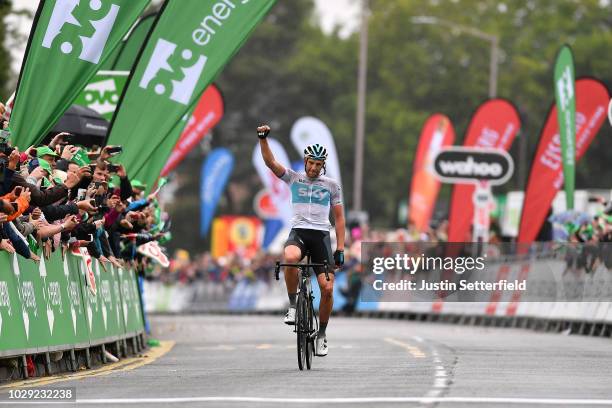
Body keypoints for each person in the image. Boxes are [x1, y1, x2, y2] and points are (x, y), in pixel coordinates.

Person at [256, 124, 345, 357]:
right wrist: (263, 139)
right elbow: (270, 163)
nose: (314, 168)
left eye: (318, 164)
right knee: (290, 257)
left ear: (322, 165)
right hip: (299, 233)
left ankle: (322, 334)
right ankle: (294, 306)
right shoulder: (294, 178)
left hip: (321, 237)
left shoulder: (332, 185)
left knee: (327, 289)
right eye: (311, 163)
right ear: (305, 162)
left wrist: (341, 248)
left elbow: (340, 219)